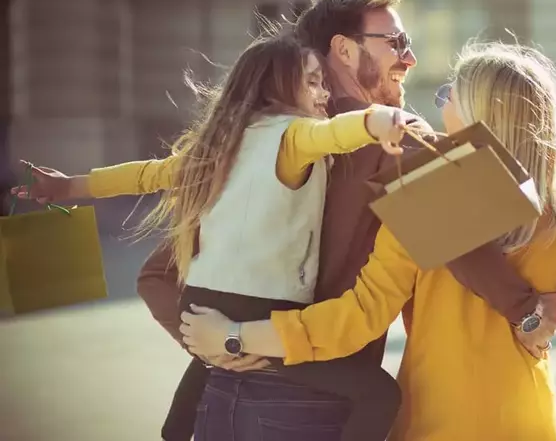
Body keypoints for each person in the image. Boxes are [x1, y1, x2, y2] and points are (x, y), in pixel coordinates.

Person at [14, 0, 556, 440]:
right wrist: (526, 311)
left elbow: (158, 273)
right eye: (396, 41)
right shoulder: (388, 139)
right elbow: (455, 232)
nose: (410, 57)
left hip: (222, 394)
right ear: (343, 50)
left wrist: (222, 344)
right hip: (307, 406)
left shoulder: (239, 148)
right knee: (380, 399)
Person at [180, 42, 556, 440]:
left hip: (431, 428)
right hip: (530, 428)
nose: (442, 107)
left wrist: (236, 336)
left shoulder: (425, 197)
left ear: (481, 118)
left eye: (453, 96)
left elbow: (356, 319)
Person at [16, 31, 418, 440]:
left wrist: (71, 187)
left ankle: (175, 430)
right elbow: (332, 134)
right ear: (276, 88)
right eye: (312, 82)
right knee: (379, 392)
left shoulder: (220, 144)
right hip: (258, 313)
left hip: (200, 301)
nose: (323, 94)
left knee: (211, 363)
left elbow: (147, 174)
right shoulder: (293, 136)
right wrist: (377, 121)